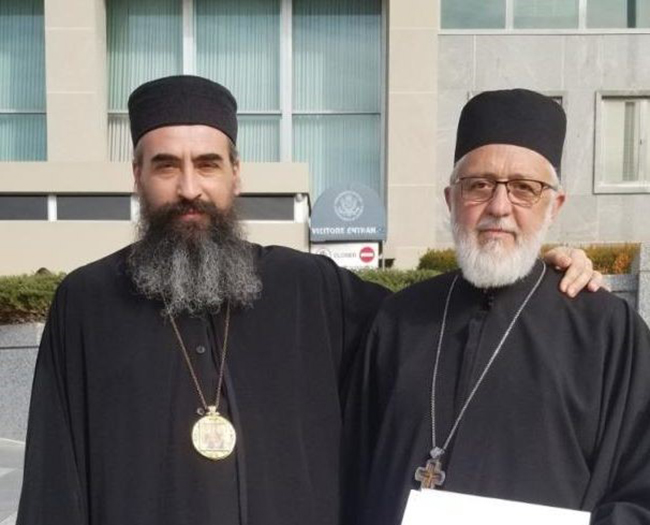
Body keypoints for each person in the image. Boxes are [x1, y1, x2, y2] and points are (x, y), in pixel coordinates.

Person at [16, 77, 599, 525]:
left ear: (236, 175)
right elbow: (52, 484)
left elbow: (439, 321)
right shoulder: (86, 304)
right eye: (166, 166)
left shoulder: (310, 289)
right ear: (137, 175)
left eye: (208, 164)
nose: (189, 188)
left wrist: (528, 265)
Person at [343, 89, 650, 525]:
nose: (499, 207)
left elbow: (640, 494)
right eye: (479, 185)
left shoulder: (607, 331)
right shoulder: (398, 319)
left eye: (525, 188)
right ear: (451, 200)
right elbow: (354, 473)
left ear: (554, 206)